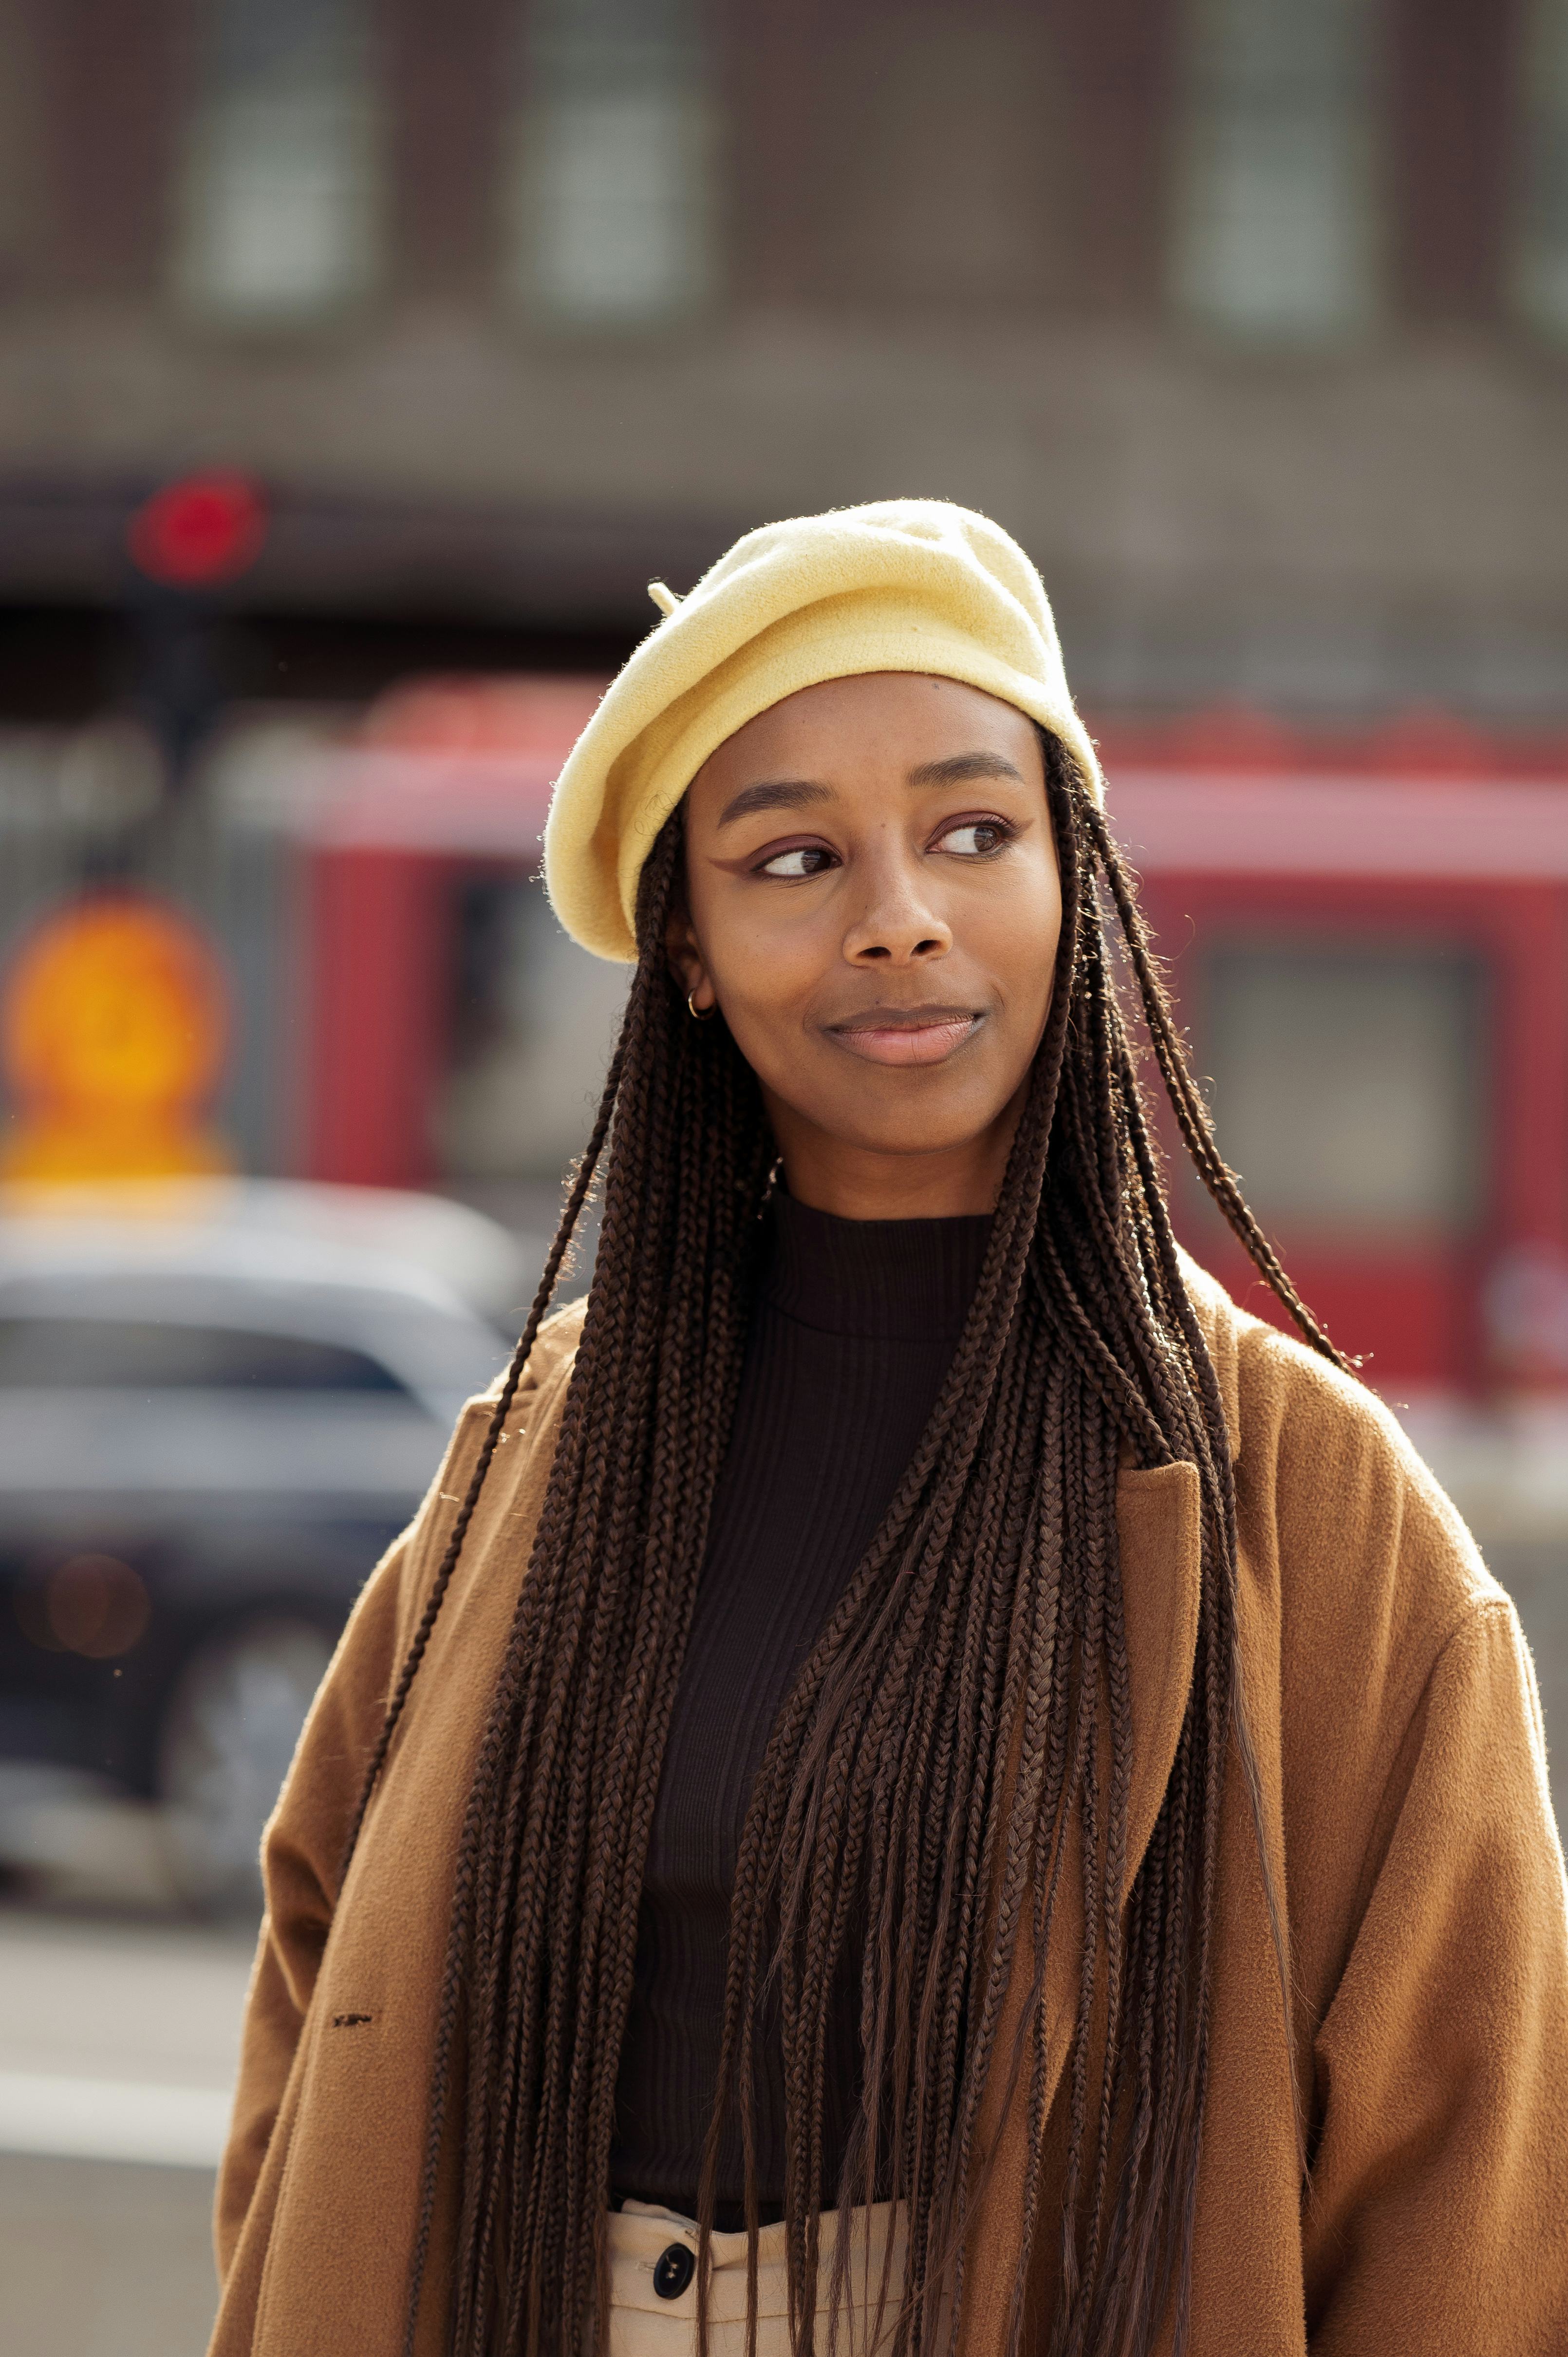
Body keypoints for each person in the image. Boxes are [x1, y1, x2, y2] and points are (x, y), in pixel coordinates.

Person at [207, 502, 1568, 2357]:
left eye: (972, 830)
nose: (900, 913)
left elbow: (1472, 2177)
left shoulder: (1317, 1511)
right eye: (791, 858)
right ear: (684, 948)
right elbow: (321, 1972)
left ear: (1072, 880)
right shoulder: (537, 1455)